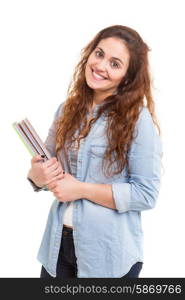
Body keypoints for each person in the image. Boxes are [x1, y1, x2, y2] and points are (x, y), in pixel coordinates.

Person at [27, 25, 163, 278]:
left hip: (107, 257)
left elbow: (146, 194)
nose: (101, 66)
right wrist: (37, 175)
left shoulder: (138, 120)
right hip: (57, 248)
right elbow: (45, 175)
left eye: (115, 64)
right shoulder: (66, 109)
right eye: (99, 54)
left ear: (127, 77)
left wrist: (80, 189)